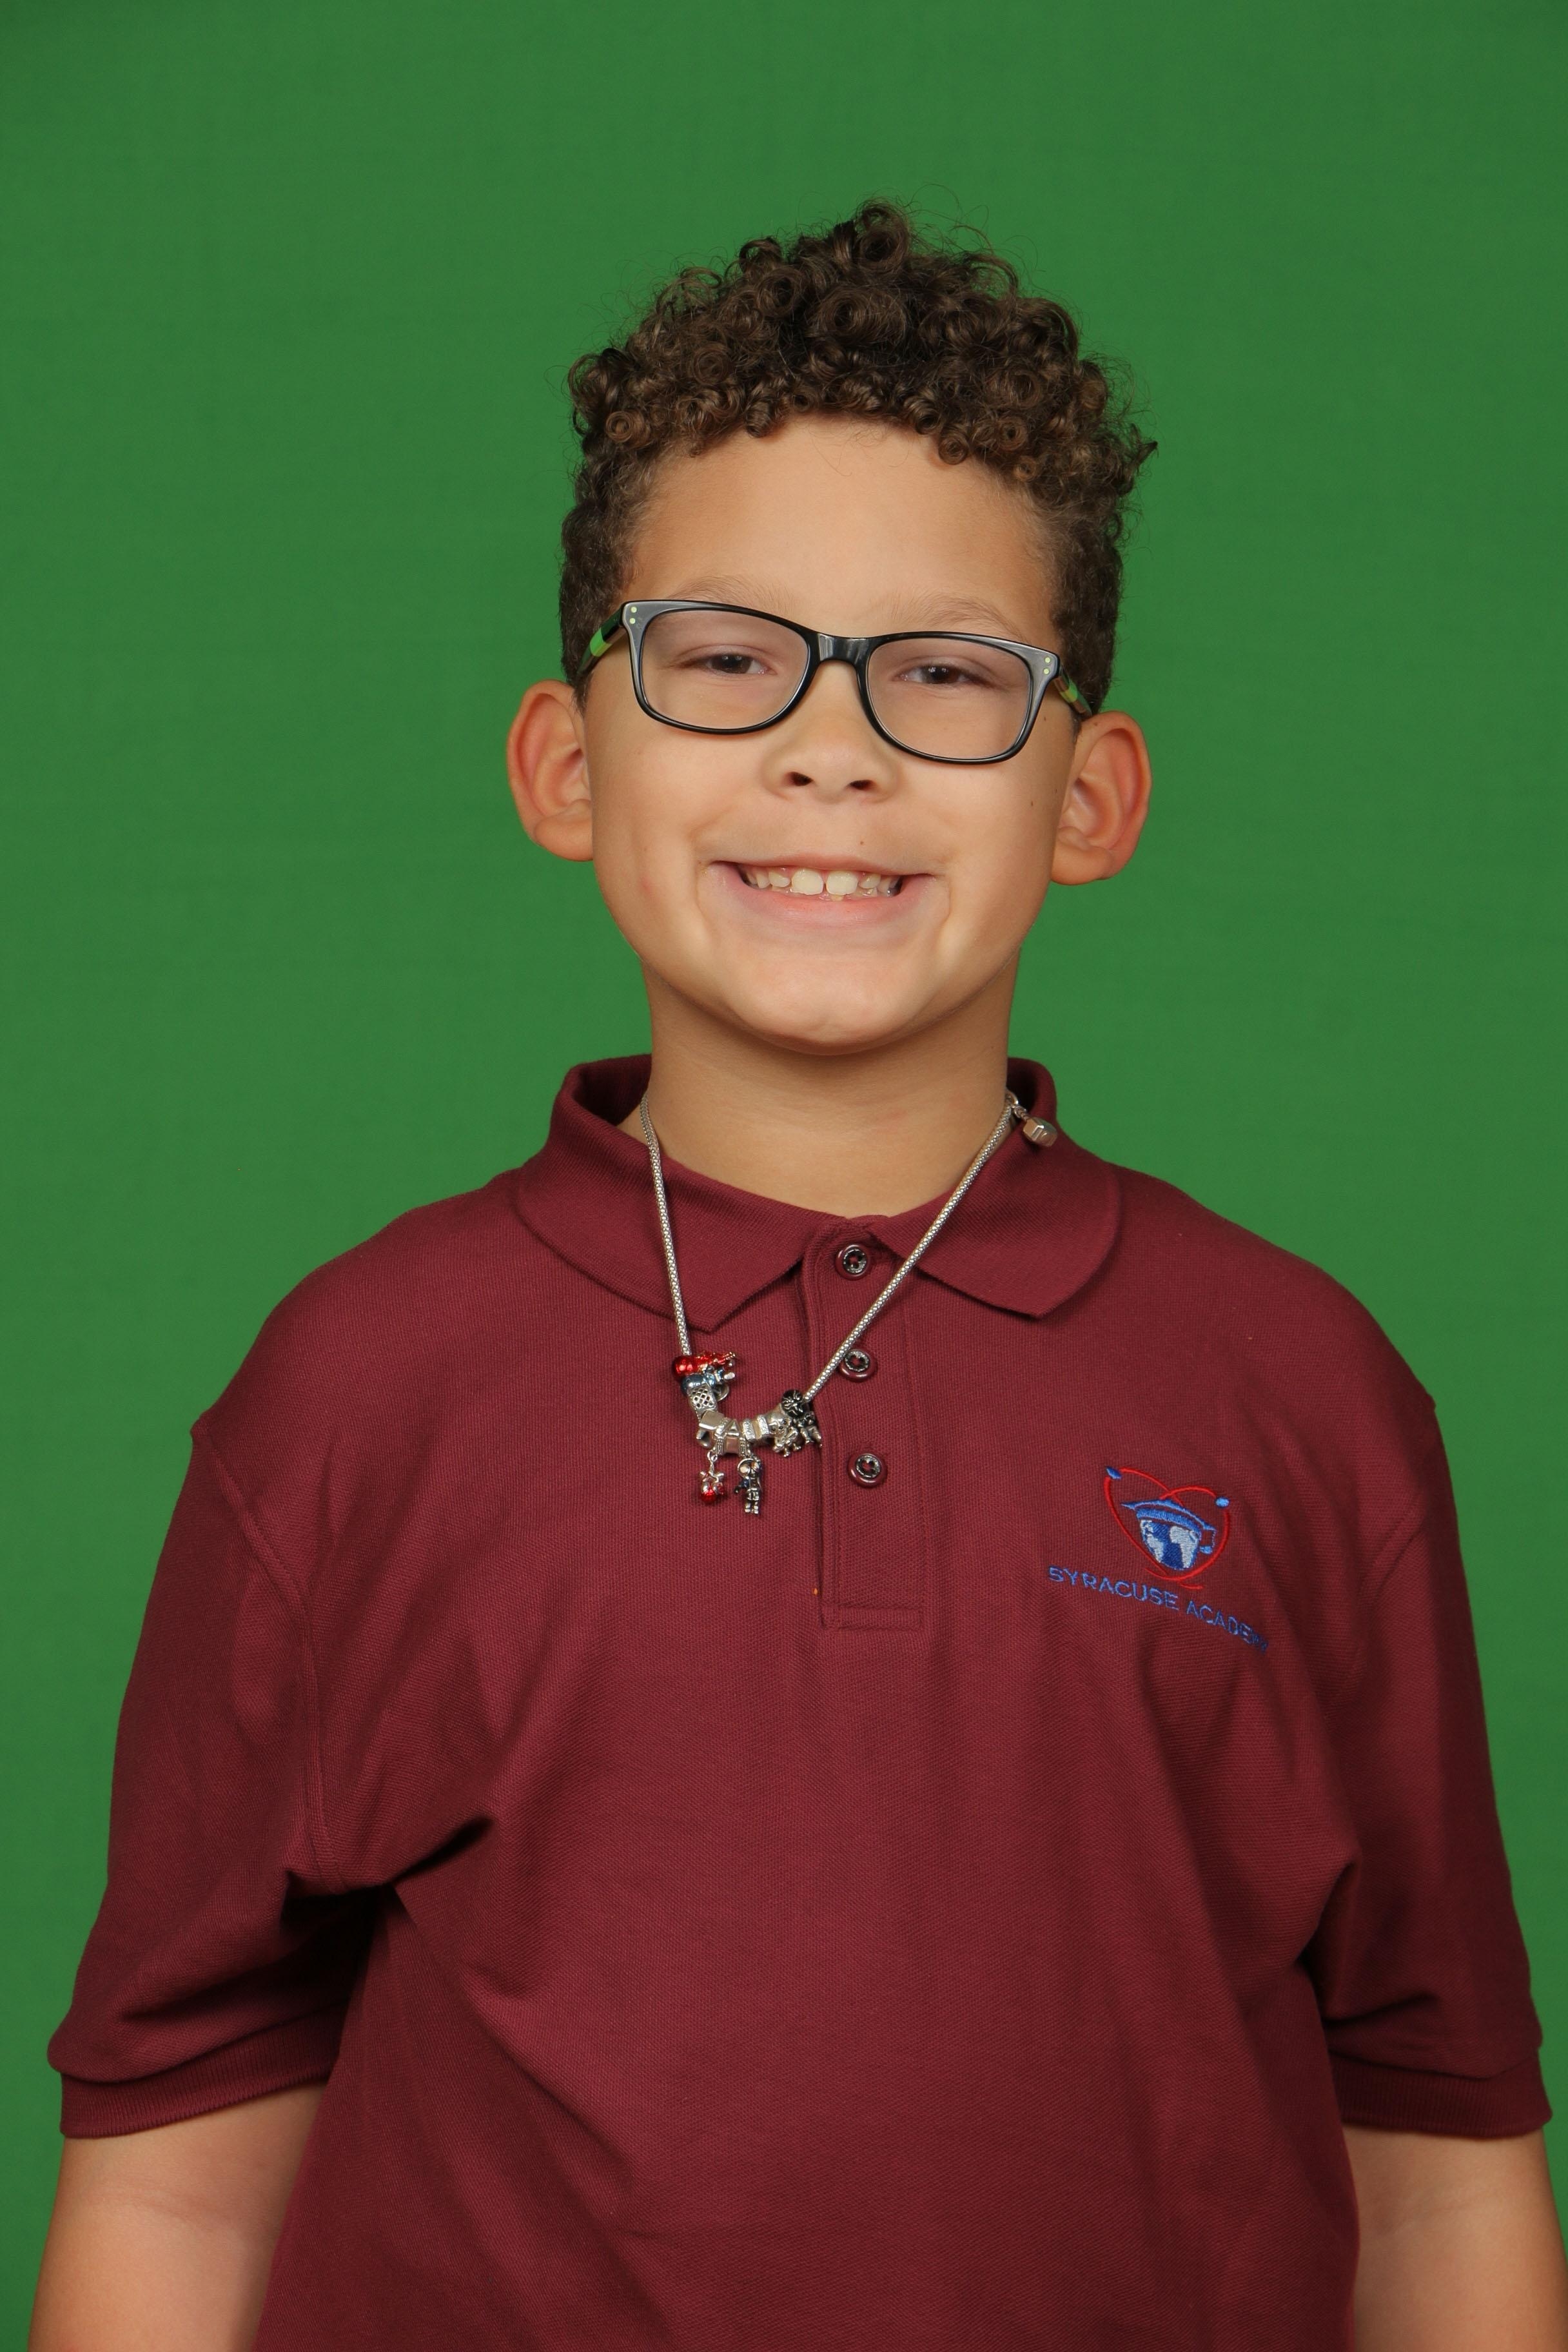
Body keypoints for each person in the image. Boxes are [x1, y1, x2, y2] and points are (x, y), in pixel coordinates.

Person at [30, 201, 1567, 2351]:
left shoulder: (1303, 1392)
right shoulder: (355, 1389)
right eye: (727, 657)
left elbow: (1438, 2165)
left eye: (945, 673)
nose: (830, 748)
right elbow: (178, 2180)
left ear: (1092, 797)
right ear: (568, 766)